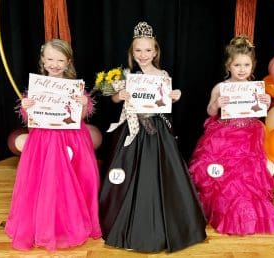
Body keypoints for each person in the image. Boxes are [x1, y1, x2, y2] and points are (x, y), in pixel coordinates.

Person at [99, 21, 207, 253]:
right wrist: (120, 94)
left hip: (156, 131)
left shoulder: (162, 75)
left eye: (148, 50)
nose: (143, 55)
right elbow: (115, 100)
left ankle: (165, 223)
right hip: (132, 129)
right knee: (128, 174)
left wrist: (174, 96)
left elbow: (164, 103)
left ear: (155, 51)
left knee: (156, 173)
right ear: (132, 52)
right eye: (138, 50)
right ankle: (123, 220)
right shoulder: (127, 75)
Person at [5, 39, 102, 250]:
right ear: (42, 60)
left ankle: (72, 221)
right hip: (44, 141)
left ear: (68, 62)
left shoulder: (74, 87)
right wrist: (26, 105)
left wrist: (84, 105)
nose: (54, 64)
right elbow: (30, 116)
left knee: (75, 179)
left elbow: (81, 116)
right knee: (46, 181)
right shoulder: (37, 87)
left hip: (72, 139)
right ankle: (45, 225)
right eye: (50, 59)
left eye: (60, 60)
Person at [189, 35, 274, 235]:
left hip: (248, 136)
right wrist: (217, 104)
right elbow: (210, 112)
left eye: (246, 64)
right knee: (224, 177)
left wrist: (264, 103)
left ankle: (248, 216)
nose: (241, 69)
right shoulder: (221, 88)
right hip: (224, 137)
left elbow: (258, 111)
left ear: (253, 65)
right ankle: (223, 210)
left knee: (247, 177)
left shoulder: (256, 88)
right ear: (228, 65)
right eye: (237, 64)